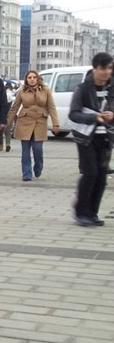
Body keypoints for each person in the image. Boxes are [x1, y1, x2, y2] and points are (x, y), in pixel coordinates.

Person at [68, 52, 114, 226]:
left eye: (109, 68)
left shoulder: (112, 88)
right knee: (90, 174)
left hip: (106, 138)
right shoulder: (83, 88)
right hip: (86, 138)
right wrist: (95, 118)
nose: (106, 72)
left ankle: (93, 212)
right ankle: (81, 211)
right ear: (95, 69)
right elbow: (74, 113)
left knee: (102, 177)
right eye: (103, 68)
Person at [5, 70, 59, 182]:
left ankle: (38, 167)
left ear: (38, 78)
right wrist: (7, 122)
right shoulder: (22, 92)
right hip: (25, 122)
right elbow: (15, 107)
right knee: (25, 150)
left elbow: (52, 107)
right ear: (26, 80)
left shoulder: (46, 91)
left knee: (37, 149)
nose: (32, 79)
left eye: (34, 77)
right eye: (29, 77)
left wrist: (56, 123)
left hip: (40, 122)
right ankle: (26, 173)